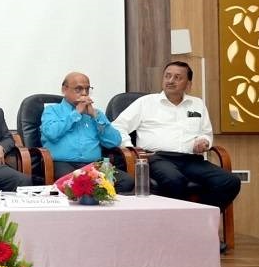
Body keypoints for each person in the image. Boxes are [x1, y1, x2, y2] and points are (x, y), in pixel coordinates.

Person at [112, 61, 240, 210]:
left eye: (177, 77)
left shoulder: (197, 104)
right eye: (167, 76)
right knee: (174, 179)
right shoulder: (146, 103)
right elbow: (118, 126)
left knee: (230, 181)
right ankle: (177, 225)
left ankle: (199, 219)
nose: (171, 81)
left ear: (188, 84)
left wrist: (204, 141)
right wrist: (131, 148)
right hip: (157, 158)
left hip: (191, 160)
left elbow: (205, 133)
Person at [41, 72, 134, 193]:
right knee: (75, 183)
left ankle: (103, 207)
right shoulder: (52, 110)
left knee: (127, 181)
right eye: (79, 89)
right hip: (63, 163)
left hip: (93, 165)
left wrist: (96, 117)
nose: (84, 93)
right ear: (64, 89)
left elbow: (114, 142)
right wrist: (75, 114)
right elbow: (51, 133)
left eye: (87, 89)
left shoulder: (96, 114)